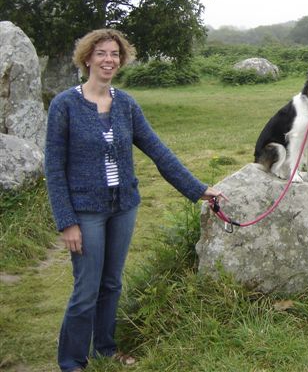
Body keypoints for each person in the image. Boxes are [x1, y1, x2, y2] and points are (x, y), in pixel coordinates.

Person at [44, 29, 225, 372]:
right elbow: (53, 168)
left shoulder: (126, 104)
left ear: (121, 59)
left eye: (114, 54)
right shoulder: (65, 105)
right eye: (101, 53)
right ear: (87, 58)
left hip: (123, 207)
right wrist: (66, 221)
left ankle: (104, 349)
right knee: (86, 288)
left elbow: (158, 150)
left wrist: (198, 188)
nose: (108, 59)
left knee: (112, 283)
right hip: (86, 211)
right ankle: (71, 361)